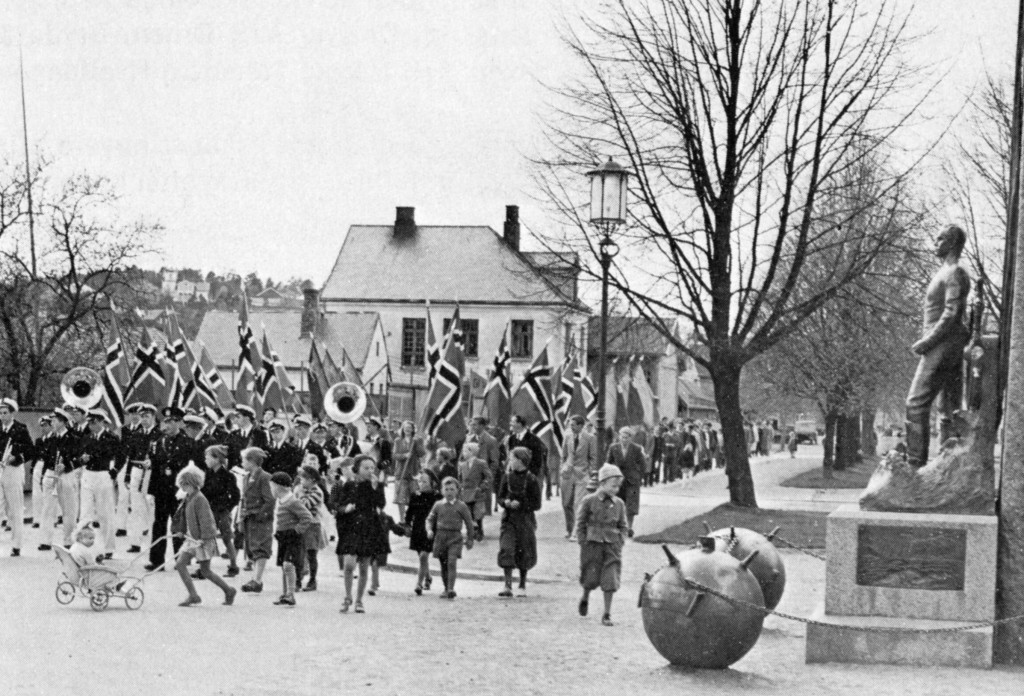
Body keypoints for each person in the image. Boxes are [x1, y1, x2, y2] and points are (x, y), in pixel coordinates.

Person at [905, 224, 972, 467]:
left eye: (940, 239)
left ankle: (914, 467)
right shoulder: (947, 272)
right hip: (947, 344)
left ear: (952, 243)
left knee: (915, 403)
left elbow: (952, 313)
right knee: (948, 409)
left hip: (943, 345)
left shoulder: (954, 273)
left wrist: (927, 342)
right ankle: (949, 465)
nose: (935, 243)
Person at [173, 465, 237, 607]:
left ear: (193, 484)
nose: (182, 489)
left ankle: (228, 590)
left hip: (203, 540)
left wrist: (204, 538)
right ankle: (193, 595)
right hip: (192, 539)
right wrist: (181, 531)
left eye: (185, 485)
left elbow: (206, 520)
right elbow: (185, 517)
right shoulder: (189, 498)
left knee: (205, 571)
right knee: (180, 564)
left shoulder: (200, 499)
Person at [576, 463, 628, 627]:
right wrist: (582, 541)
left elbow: (623, 525)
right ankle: (585, 596)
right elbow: (580, 523)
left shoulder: (619, 504)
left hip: (612, 545)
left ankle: (607, 613)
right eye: (613, 486)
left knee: (610, 578)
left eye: (618, 487)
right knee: (590, 576)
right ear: (602, 483)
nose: (616, 489)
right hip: (592, 544)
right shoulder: (589, 500)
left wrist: (621, 540)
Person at [336, 455, 387, 614]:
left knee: (364, 565)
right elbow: (339, 504)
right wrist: (346, 508)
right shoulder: (349, 485)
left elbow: (380, 504)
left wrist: (375, 488)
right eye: (366, 468)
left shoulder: (376, 485)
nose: (370, 471)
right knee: (349, 564)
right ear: (357, 469)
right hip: (351, 527)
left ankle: (359, 600)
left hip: (368, 527)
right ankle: (347, 595)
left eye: (372, 468)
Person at [145, 407, 193, 571]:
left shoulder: (187, 442)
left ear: (179, 422)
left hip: (178, 490)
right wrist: (151, 491)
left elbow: (189, 469)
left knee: (179, 525)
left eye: (171, 421)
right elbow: (156, 467)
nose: (168, 425)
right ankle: (156, 560)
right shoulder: (159, 442)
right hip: (161, 489)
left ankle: (181, 559)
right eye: (165, 421)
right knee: (159, 524)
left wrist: (187, 489)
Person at [497, 446, 542, 598]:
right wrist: (506, 503)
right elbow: (500, 498)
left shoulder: (531, 479)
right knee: (506, 548)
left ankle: (522, 584)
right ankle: (507, 585)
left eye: (512, 459)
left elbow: (537, 504)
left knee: (524, 550)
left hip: (525, 520)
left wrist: (522, 505)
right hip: (509, 519)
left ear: (521, 461)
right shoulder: (507, 477)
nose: (510, 461)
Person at [78, 409, 120, 560]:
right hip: (88, 474)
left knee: (105, 513)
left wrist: (114, 471)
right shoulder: (87, 437)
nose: (91, 425)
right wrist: (82, 459)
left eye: (94, 422)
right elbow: (79, 455)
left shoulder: (110, 438)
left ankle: (108, 547)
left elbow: (120, 455)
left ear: (102, 421)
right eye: (89, 422)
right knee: (85, 512)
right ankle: (84, 545)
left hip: (103, 474)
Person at [269, 471, 315, 607]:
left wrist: (296, 531)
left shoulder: (292, 501)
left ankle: (291, 594)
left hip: (293, 538)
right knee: (284, 565)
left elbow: (307, 517)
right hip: (283, 537)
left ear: (278, 487)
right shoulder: (281, 501)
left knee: (288, 564)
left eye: (271, 486)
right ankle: (285, 593)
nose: (271, 490)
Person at [425, 476, 475, 599]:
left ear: (457, 490)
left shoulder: (462, 506)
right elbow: (429, 519)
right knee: (443, 563)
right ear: (442, 491)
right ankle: (446, 588)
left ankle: (451, 588)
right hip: (441, 537)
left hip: (455, 538)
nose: (449, 492)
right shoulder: (438, 505)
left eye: (452, 489)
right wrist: (429, 530)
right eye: (446, 489)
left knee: (451, 562)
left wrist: (470, 539)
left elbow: (469, 523)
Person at [39, 408, 81, 549]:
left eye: (55, 420)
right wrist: (44, 477)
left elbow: (78, 458)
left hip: (65, 476)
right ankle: (45, 540)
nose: (52, 423)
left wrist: (67, 465)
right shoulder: (51, 438)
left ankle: (68, 540)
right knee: (47, 509)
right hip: (51, 474)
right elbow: (46, 459)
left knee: (68, 510)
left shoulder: (73, 438)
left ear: (63, 421)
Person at [123, 403, 159, 554]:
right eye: (142, 416)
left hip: (152, 473)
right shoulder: (136, 434)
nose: (143, 419)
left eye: (147, 416)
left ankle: (150, 534)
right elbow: (131, 455)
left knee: (151, 506)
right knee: (136, 508)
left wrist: (153, 462)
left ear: (153, 417)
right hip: (137, 471)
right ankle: (135, 542)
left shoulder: (159, 434)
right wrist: (127, 475)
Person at [200, 445, 241, 578]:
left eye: (208, 457)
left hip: (221, 511)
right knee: (208, 538)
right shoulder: (208, 474)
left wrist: (227, 508)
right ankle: (204, 568)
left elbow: (235, 495)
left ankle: (234, 565)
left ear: (217, 459)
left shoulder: (228, 476)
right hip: (210, 510)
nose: (205, 459)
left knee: (226, 538)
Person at [0, 398, 34, 557]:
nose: (1, 415)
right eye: (0, 412)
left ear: (12, 413)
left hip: (12, 470)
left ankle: (16, 544)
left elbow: (30, 450)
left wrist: (17, 458)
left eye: (5, 412)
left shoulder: (20, 429)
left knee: (15, 507)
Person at [239, 447, 276, 593]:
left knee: (261, 548)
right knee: (252, 548)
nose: (242, 463)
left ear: (252, 461)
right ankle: (255, 578)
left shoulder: (264, 477)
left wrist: (260, 515)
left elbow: (269, 500)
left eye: (244, 460)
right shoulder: (247, 477)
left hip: (261, 519)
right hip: (249, 517)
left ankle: (257, 580)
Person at [559, 415, 598, 540]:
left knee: (578, 503)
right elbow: (564, 455)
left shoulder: (590, 438)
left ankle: (577, 532)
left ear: (581, 426)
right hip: (567, 474)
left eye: (573, 425)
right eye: (570, 425)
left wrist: (590, 473)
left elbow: (593, 457)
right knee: (566, 503)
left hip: (582, 474)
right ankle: (569, 528)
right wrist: (563, 468)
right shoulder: (567, 436)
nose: (571, 427)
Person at [604, 427, 645, 537]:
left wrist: (639, 477)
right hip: (617, 480)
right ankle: (617, 526)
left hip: (632, 481)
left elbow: (642, 464)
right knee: (616, 503)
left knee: (631, 505)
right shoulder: (613, 448)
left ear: (630, 438)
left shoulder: (636, 448)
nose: (624, 440)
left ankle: (629, 528)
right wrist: (609, 476)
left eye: (626, 438)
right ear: (619, 437)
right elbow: (608, 463)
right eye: (622, 437)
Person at [405, 472, 440, 595]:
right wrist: (407, 524)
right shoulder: (415, 495)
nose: (421, 484)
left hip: (431, 528)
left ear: (431, 483)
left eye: (424, 481)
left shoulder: (437, 496)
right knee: (421, 556)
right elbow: (410, 512)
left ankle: (418, 584)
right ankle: (428, 577)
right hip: (418, 528)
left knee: (423, 556)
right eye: (419, 481)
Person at [294, 465, 328, 592]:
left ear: (312, 480)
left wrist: (300, 493)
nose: (301, 481)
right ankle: (297, 580)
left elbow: (305, 505)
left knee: (311, 554)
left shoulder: (317, 492)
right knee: (299, 553)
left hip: (313, 525)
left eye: (304, 479)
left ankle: (312, 580)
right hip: (301, 524)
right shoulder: (298, 489)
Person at [458, 442, 492, 541]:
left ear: (471, 452)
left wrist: (482, 487)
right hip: (466, 492)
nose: (463, 453)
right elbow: (460, 478)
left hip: (477, 492)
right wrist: (460, 487)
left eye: (465, 451)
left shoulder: (481, 463)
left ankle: (479, 530)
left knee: (478, 513)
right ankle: (472, 531)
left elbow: (489, 477)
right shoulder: (463, 465)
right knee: (468, 513)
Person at [392, 420, 424, 521]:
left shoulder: (418, 440)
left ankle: (411, 518)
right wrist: (404, 456)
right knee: (400, 498)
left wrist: (417, 443)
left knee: (414, 497)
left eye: (410, 428)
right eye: (406, 427)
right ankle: (402, 519)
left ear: (413, 429)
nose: (408, 429)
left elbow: (422, 453)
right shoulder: (398, 440)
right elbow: (394, 455)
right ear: (402, 429)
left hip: (414, 472)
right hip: (401, 472)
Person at [467, 416, 500, 512]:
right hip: (470, 479)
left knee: (482, 513)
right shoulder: (469, 439)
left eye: (474, 425)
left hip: (482, 480)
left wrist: (488, 479)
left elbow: (494, 462)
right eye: (471, 425)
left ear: (482, 426)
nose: (472, 427)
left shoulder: (491, 440)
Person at [31, 414, 54, 530]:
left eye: (45, 425)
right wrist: (33, 467)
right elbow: (35, 455)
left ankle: (53, 518)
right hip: (38, 465)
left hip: (48, 466)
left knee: (49, 494)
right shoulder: (39, 440)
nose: (43, 428)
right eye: (42, 426)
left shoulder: (53, 439)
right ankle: (37, 518)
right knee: (37, 493)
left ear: (51, 425)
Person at [506, 414, 546, 481]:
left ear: (519, 424)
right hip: (513, 477)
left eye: (512, 422)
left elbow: (537, 461)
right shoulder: (511, 439)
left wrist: (530, 475)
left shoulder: (533, 439)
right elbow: (511, 457)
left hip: (528, 478)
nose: (510, 424)